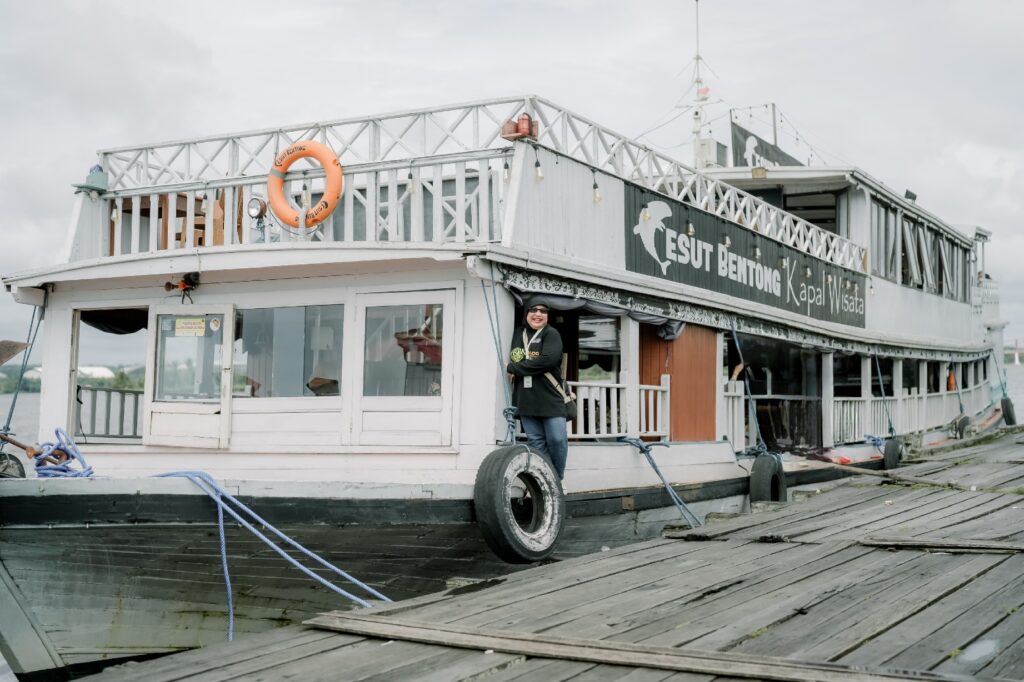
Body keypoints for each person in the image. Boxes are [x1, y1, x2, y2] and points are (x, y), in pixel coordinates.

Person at [506, 299, 569, 478]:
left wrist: (514, 368)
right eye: (533, 310)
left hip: (550, 396)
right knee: (536, 443)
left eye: (543, 311)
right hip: (526, 397)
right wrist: (519, 365)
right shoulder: (519, 333)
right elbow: (517, 357)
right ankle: (546, 481)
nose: (538, 314)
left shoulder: (551, 333)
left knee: (557, 440)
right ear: (526, 313)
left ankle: (557, 479)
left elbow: (547, 361)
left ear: (547, 316)